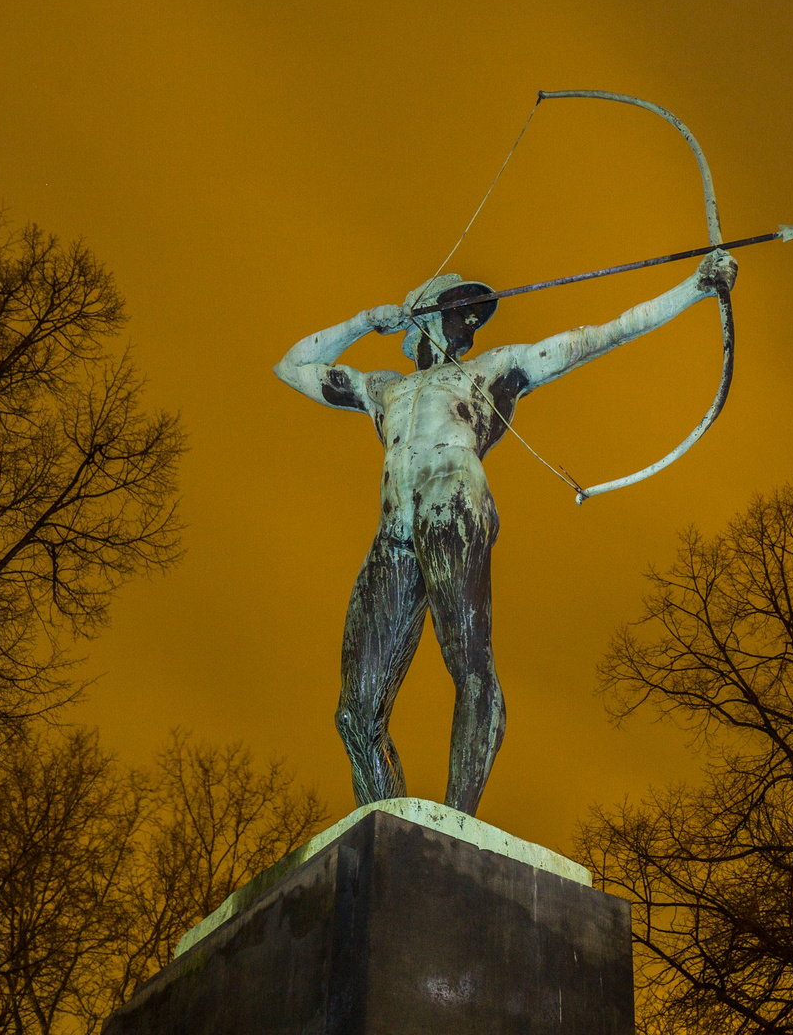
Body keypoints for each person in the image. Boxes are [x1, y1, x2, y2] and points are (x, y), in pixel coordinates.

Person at [274, 249, 738, 815]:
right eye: (458, 308)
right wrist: (365, 321)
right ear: (421, 314)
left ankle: (458, 821)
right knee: (354, 712)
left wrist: (695, 286)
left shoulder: (493, 370)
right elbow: (292, 366)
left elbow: (602, 333)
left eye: (472, 313)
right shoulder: (382, 389)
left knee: (467, 663)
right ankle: (386, 822)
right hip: (394, 528)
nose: (470, 321)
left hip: (454, 500)